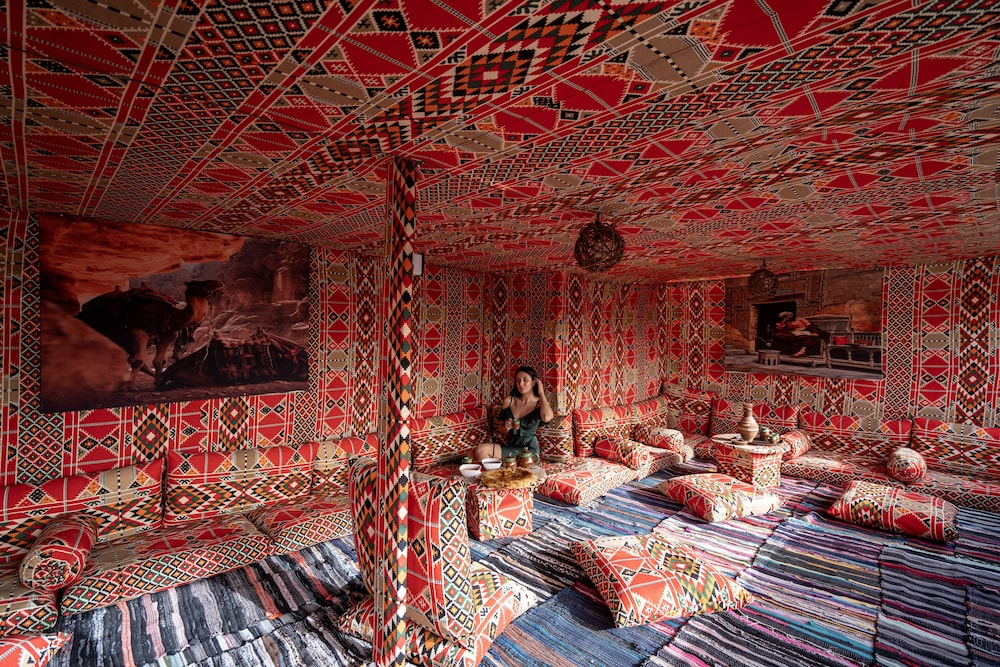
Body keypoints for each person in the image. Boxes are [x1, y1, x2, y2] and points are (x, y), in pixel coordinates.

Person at [474, 365, 553, 461]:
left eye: (525, 380)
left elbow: (547, 417)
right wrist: (507, 427)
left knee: (482, 449)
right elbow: (501, 429)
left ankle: (503, 468)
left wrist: (541, 392)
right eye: (518, 380)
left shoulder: (540, 404)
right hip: (512, 447)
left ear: (533, 382)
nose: (521, 384)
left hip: (529, 451)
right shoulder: (509, 401)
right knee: (472, 453)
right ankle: (504, 469)